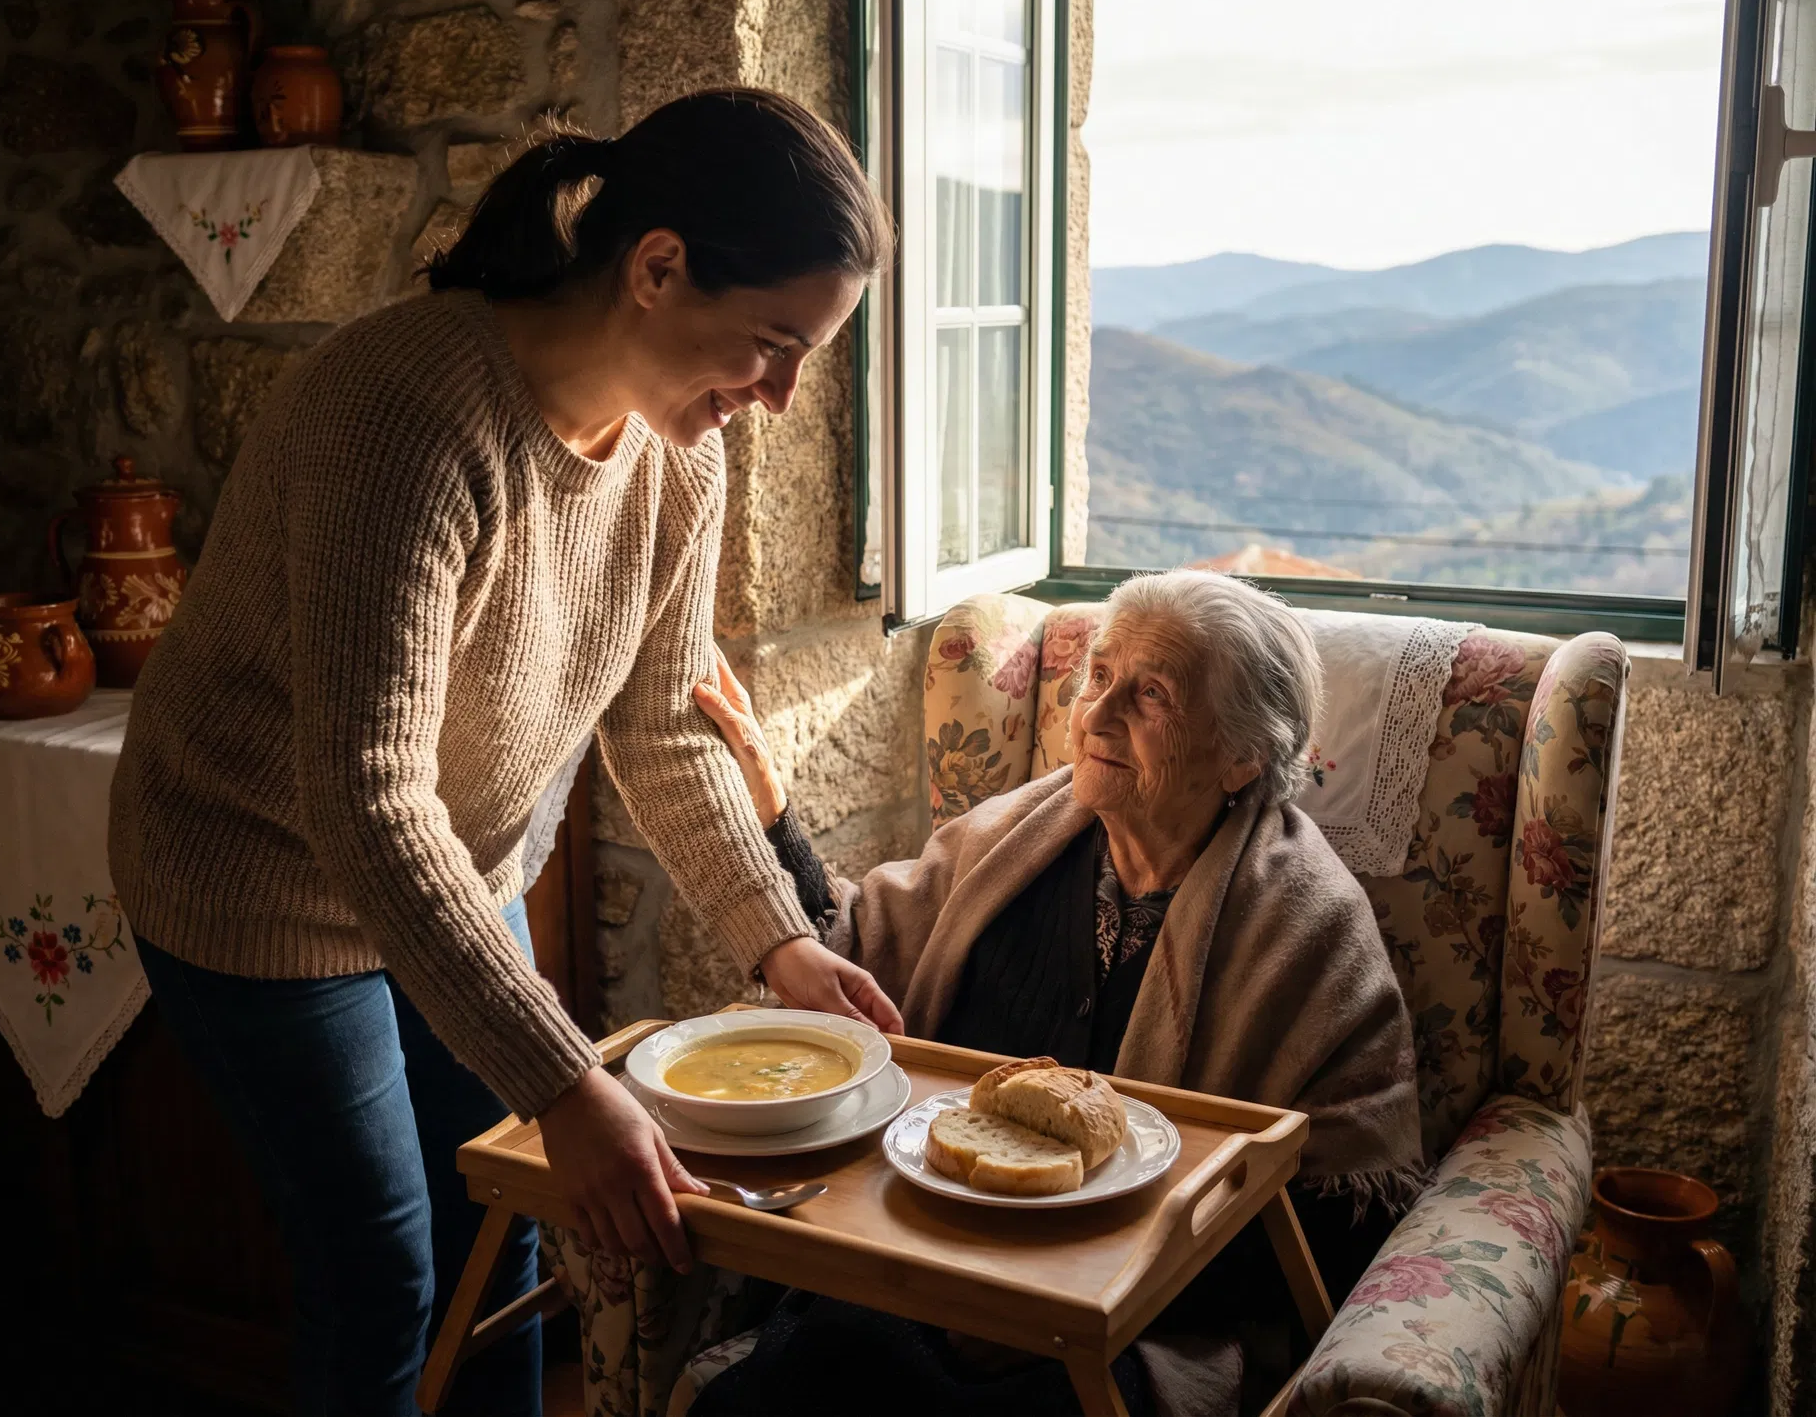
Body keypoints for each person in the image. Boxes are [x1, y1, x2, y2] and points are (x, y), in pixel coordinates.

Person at [107, 88, 902, 1417]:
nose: (780, 396)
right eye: (772, 343)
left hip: (449, 883)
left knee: (511, 1232)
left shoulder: (675, 463)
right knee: (381, 1274)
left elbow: (662, 721)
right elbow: (366, 802)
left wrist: (780, 940)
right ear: (655, 267)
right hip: (258, 887)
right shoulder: (406, 412)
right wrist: (567, 1077)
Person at [685, 569, 1422, 1417]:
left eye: (1151, 695)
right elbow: (852, 962)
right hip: (912, 1266)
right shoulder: (1013, 837)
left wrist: (1061, 1294)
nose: (1097, 716)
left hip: (1129, 1329)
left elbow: (1334, 1223)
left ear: (1243, 753)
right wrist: (771, 818)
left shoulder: (1307, 924)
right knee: (822, 1365)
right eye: (1098, 678)